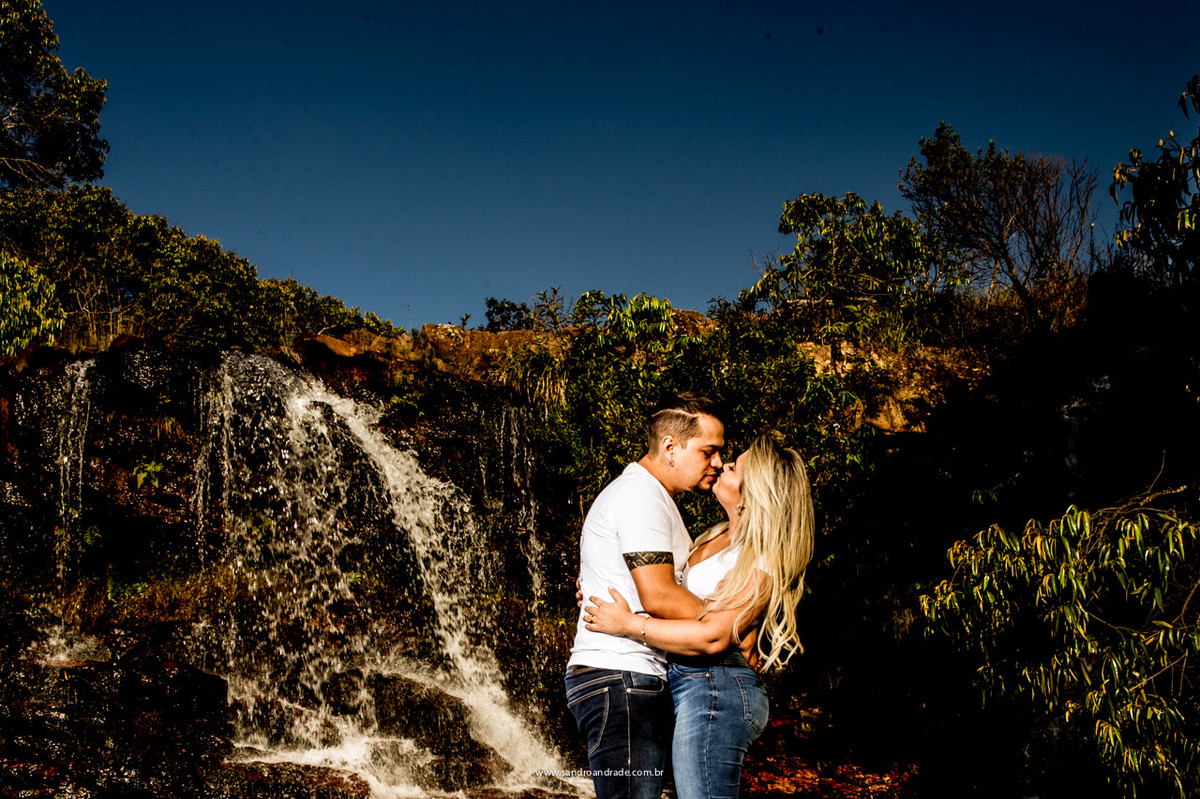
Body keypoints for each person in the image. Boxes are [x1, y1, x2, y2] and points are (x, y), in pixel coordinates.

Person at [583, 434, 815, 799]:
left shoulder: (764, 558)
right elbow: (669, 594)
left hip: (717, 686)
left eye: (735, 466)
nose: (722, 464)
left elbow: (712, 636)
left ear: (755, 490)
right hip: (684, 682)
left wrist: (629, 624)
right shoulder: (714, 538)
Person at [564, 392, 727, 799]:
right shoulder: (640, 496)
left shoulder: (653, 497)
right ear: (671, 446)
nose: (719, 463)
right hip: (621, 676)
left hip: (627, 677)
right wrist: (730, 622)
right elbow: (657, 595)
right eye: (709, 451)